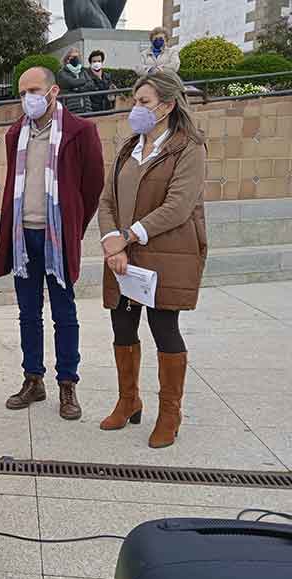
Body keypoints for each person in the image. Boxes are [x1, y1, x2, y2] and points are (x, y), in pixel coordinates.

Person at [97, 71, 206, 449]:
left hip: (166, 254)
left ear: (168, 105)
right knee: (122, 329)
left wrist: (129, 235)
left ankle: (169, 414)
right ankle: (129, 401)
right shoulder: (130, 147)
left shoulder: (188, 148)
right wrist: (113, 241)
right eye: (135, 101)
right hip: (122, 256)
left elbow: (178, 206)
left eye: (143, 102)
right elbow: (107, 200)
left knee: (164, 329)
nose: (136, 108)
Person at [0, 67, 104, 421]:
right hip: (23, 236)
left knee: (64, 314)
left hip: (57, 238)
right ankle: (33, 379)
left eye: (34, 90)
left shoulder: (80, 132)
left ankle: (67, 383)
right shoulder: (15, 134)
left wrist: (72, 226)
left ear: (53, 90)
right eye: (23, 92)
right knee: (28, 314)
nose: (28, 98)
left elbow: (93, 185)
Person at [57, 48, 94, 114]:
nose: (76, 59)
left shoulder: (83, 71)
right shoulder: (62, 72)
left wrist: (79, 89)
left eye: (77, 57)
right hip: (71, 108)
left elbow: (91, 84)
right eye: (73, 57)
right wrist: (84, 80)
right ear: (67, 59)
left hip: (86, 108)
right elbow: (72, 82)